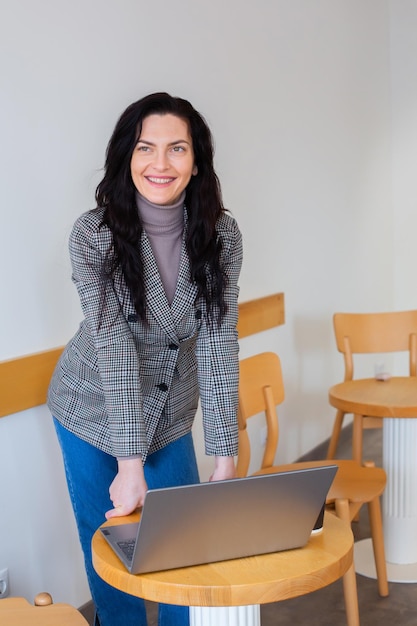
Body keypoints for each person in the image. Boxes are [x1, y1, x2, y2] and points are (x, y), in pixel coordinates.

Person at [48, 92, 243, 626]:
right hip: (89, 408)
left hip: (171, 411)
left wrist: (224, 451)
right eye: (145, 148)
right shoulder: (94, 233)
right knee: (114, 558)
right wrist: (129, 464)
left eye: (176, 148)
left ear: (196, 159)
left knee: (184, 555)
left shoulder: (222, 235)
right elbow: (113, 344)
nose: (160, 164)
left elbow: (219, 341)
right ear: (125, 157)